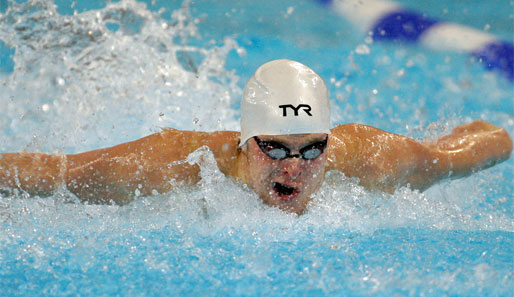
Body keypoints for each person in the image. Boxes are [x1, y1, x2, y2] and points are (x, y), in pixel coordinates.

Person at [0, 60, 512, 214]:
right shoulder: (177, 163)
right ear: (246, 142)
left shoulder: (373, 159)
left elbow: (475, 146)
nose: (294, 168)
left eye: (312, 149)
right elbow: (55, 173)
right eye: (274, 148)